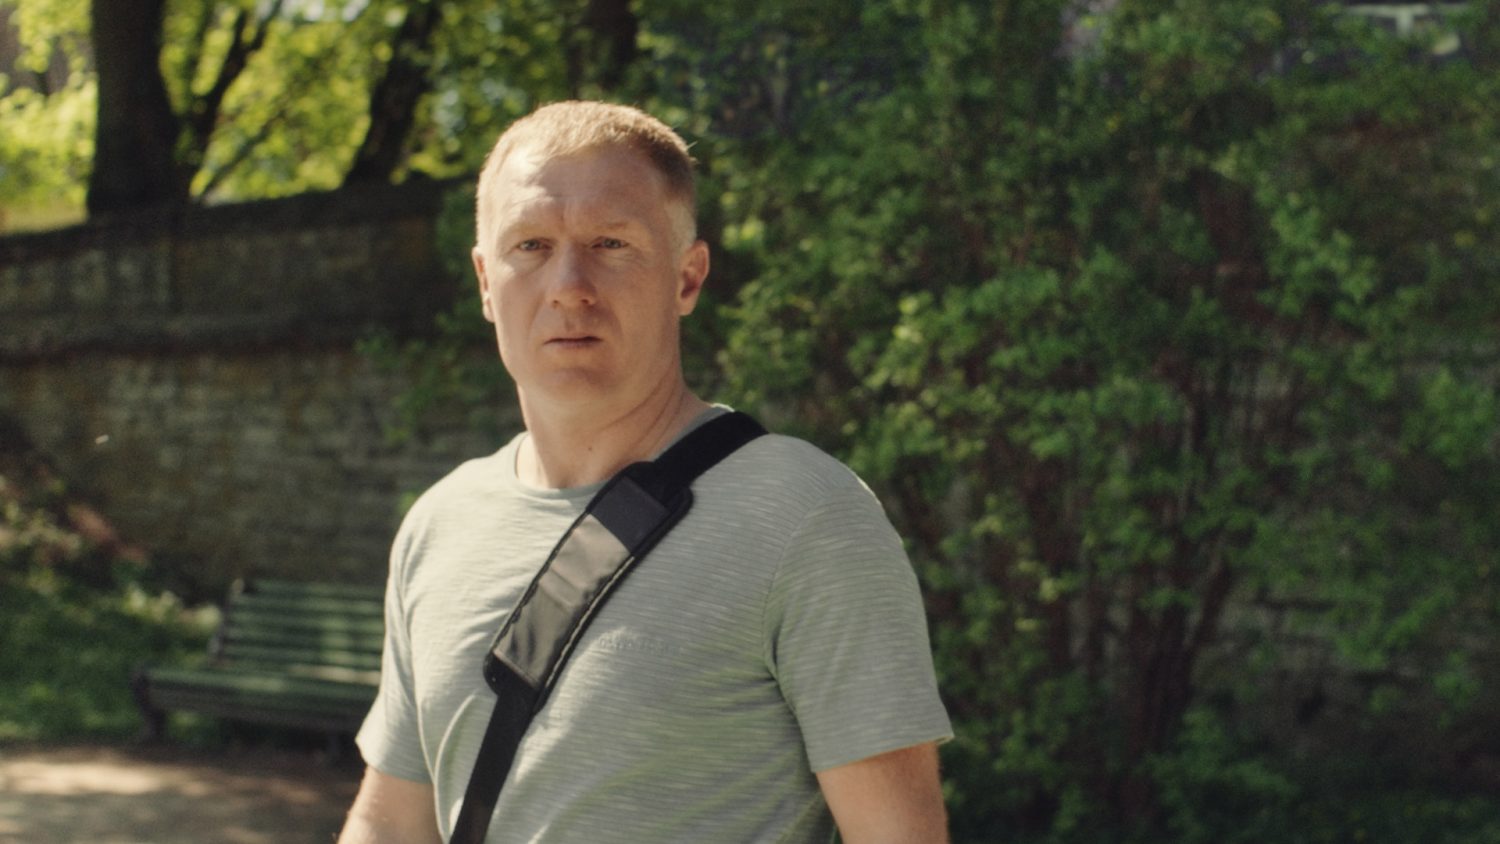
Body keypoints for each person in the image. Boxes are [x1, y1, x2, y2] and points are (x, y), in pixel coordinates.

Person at [338, 100, 952, 844]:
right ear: (485, 283)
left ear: (687, 278)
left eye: (611, 243)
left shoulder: (807, 518)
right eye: (530, 245)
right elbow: (390, 823)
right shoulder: (440, 523)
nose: (569, 284)